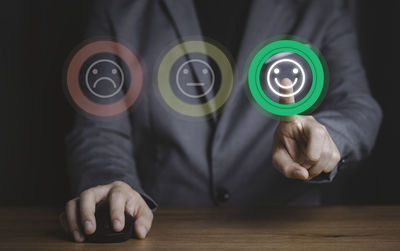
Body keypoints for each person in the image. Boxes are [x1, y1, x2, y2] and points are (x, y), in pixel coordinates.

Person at [61, 0, 382, 242]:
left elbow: (357, 105)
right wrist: (113, 183)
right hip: (161, 235)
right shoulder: (119, 8)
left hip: (286, 234)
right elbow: (100, 129)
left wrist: (328, 138)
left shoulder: (319, 7)